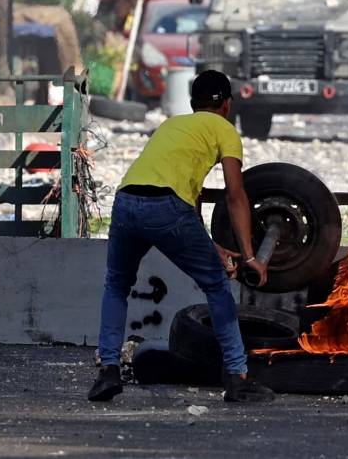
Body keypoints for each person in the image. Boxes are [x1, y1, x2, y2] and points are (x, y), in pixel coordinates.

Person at [88, 70, 274, 403]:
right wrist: (249, 257)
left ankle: (108, 370)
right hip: (166, 206)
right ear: (227, 105)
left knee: (116, 284)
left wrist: (210, 246)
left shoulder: (172, 125)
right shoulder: (224, 130)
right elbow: (235, 195)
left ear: (192, 103)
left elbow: (190, 201)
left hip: (127, 200)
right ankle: (237, 376)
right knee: (217, 285)